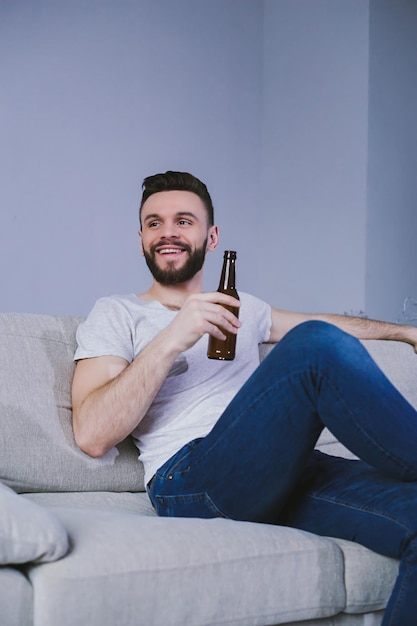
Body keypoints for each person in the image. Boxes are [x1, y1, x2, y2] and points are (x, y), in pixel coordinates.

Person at [72, 170, 417, 626]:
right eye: (154, 223)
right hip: (191, 478)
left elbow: (332, 326)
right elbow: (93, 434)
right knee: (313, 345)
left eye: (184, 221)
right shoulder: (117, 313)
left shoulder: (244, 308)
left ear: (211, 237)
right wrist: (176, 334)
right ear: (140, 239)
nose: (168, 232)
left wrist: (405, 332)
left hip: (284, 469)